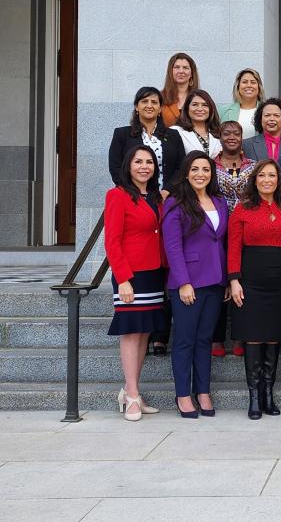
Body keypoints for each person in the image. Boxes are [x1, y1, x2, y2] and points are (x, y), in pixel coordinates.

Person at [228, 160, 281, 419]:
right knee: (253, 336)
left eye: (272, 175)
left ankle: (269, 395)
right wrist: (234, 280)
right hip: (250, 280)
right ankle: (254, 398)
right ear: (255, 179)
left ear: (278, 179)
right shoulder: (243, 208)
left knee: (273, 337)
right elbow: (234, 246)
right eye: (262, 175)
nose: (267, 180)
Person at [162, 151, 228, 419]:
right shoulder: (176, 204)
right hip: (188, 282)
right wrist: (183, 282)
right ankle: (183, 395)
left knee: (204, 340)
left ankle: (203, 392)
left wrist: (226, 279)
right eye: (196, 169)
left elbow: (220, 242)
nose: (201, 174)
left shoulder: (219, 202)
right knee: (185, 340)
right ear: (187, 173)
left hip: (215, 280)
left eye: (206, 169)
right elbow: (172, 246)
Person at [104, 145, 166, 421]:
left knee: (143, 333)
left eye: (149, 162)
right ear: (128, 166)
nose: (144, 166)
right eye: (138, 161)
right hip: (130, 274)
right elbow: (112, 241)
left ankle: (133, 391)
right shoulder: (117, 196)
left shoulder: (156, 196)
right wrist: (123, 279)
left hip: (154, 272)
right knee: (131, 333)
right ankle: (130, 396)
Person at [212, 121, 255, 357]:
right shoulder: (209, 166)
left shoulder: (253, 166)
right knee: (219, 281)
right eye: (226, 132)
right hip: (217, 230)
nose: (231, 136)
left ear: (241, 137)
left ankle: (239, 335)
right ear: (219, 136)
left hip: (246, 230)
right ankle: (216, 338)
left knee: (241, 280)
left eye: (236, 133)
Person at [108, 86, 185, 194]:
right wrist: (135, 193)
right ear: (136, 107)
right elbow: (115, 168)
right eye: (144, 101)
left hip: (167, 199)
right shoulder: (122, 134)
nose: (149, 105)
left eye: (154, 102)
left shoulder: (173, 135)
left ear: (160, 108)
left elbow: (181, 168)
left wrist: (168, 191)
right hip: (132, 198)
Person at [171, 89, 222, 159]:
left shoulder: (219, 132)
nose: (200, 109)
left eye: (205, 105)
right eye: (195, 105)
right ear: (187, 108)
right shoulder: (175, 131)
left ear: (211, 109)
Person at [219, 68, 267, 139]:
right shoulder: (223, 111)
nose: (249, 85)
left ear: (259, 87)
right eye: (244, 82)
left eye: (253, 82)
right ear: (238, 86)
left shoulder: (266, 111)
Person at [161, 52, 199, 127]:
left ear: (191, 73)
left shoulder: (200, 98)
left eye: (185, 68)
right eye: (177, 67)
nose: (181, 71)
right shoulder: (160, 98)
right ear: (170, 71)